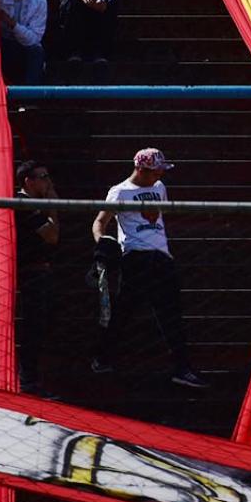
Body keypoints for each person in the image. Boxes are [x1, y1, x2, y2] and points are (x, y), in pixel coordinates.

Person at [90, 148, 207, 390]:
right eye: (156, 170)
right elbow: (100, 221)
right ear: (141, 170)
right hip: (135, 257)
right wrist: (103, 242)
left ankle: (182, 368)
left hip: (161, 257)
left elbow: (158, 221)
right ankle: (102, 357)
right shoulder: (120, 191)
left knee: (171, 316)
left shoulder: (159, 187)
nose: (160, 174)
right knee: (124, 312)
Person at [14, 160, 60, 394]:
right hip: (29, 272)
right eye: (42, 176)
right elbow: (52, 235)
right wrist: (52, 205)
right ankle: (28, 381)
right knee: (32, 327)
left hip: (39, 270)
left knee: (38, 327)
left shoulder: (34, 204)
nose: (48, 181)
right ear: (28, 181)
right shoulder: (25, 204)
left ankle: (30, 379)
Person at [0, 0, 47, 84]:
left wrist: (12, 23)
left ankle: (31, 98)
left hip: (22, 46)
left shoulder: (39, 0)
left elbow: (34, 39)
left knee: (36, 51)